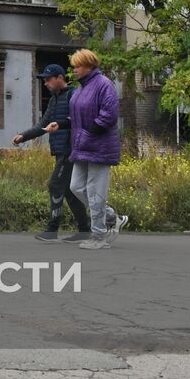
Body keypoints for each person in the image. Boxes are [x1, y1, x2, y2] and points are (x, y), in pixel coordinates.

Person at [55, 49, 128, 249]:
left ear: (89, 66)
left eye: (78, 66)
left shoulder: (104, 85)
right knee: (76, 187)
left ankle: (99, 237)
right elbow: (77, 117)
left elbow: (109, 115)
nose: (75, 70)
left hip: (99, 147)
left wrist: (89, 132)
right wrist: (61, 124)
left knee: (95, 193)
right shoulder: (80, 90)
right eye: (74, 66)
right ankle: (112, 216)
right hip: (82, 147)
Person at [12, 64, 91, 242]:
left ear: (60, 78)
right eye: (44, 80)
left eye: (48, 79)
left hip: (70, 150)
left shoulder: (73, 95)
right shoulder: (53, 100)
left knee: (55, 185)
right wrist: (23, 136)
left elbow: (79, 120)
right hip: (60, 151)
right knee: (71, 191)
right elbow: (43, 124)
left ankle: (52, 229)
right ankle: (85, 230)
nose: (45, 83)